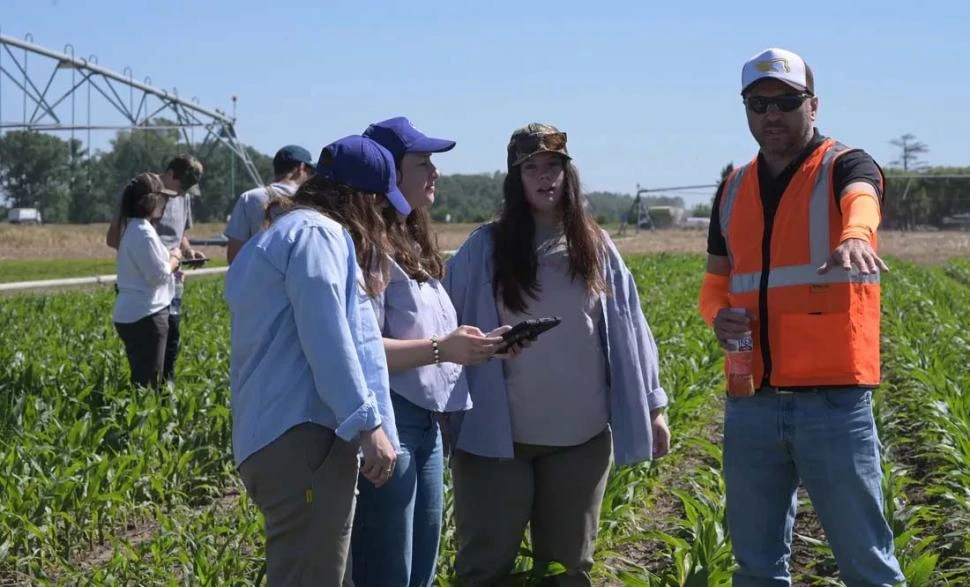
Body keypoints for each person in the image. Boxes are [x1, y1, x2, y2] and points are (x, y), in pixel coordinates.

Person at [698, 48, 904, 586]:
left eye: (786, 102)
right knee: (756, 566)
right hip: (753, 403)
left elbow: (863, 195)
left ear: (813, 105)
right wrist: (717, 315)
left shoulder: (843, 165)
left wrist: (856, 235)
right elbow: (715, 285)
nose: (771, 115)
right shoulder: (733, 187)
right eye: (758, 103)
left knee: (866, 563)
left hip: (832, 404)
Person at [443, 123, 671, 586]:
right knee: (484, 565)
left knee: (569, 569)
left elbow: (632, 327)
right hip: (496, 442)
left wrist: (654, 407)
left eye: (553, 167)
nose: (544, 177)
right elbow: (446, 326)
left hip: (579, 441)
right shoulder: (483, 249)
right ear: (515, 177)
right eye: (532, 168)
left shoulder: (595, 245)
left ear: (569, 175)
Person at [226, 135, 401, 586]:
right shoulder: (318, 234)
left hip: (275, 436)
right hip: (303, 438)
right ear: (360, 198)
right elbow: (328, 337)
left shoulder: (278, 233)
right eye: (380, 205)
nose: (380, 219)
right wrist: (368, 423)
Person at [349, 116, 506, 587]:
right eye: (422, 162)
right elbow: (363, 348)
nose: (434, 172)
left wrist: (470, 345)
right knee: (388, 570)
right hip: (390, 417)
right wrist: (443, 349)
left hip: (428, 423)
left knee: (421, 568)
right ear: (388, 172)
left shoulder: (411, 239)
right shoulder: (365, 245)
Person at [106, 154, 206, 386]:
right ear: (170, 173)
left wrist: (188, 253)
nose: (181, 194)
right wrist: (157, 258)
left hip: (172, 280)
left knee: (171, 340)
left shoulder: (183, 199)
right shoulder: (139, 193)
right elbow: (115, 238)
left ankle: (164, 395)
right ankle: (151, 396)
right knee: (151, 344)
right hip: (148, 284)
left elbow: (180, 236)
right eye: (181, 186)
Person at [112, 173, 182, 388]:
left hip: (133, 313)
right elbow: (158, 276)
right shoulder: (144, 232)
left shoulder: (131, 228)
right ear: (150, 201)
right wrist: (175, 259)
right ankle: (143, 420)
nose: (164, 204)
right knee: (148, 385)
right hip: (147, 316)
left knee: (142, 379)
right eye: (162, 198)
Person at [224, 145, 316, 264]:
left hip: (258, 278)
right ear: (300, 168)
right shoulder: (313, 202)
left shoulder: (249, 198)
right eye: (310, 172)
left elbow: (234, 254)